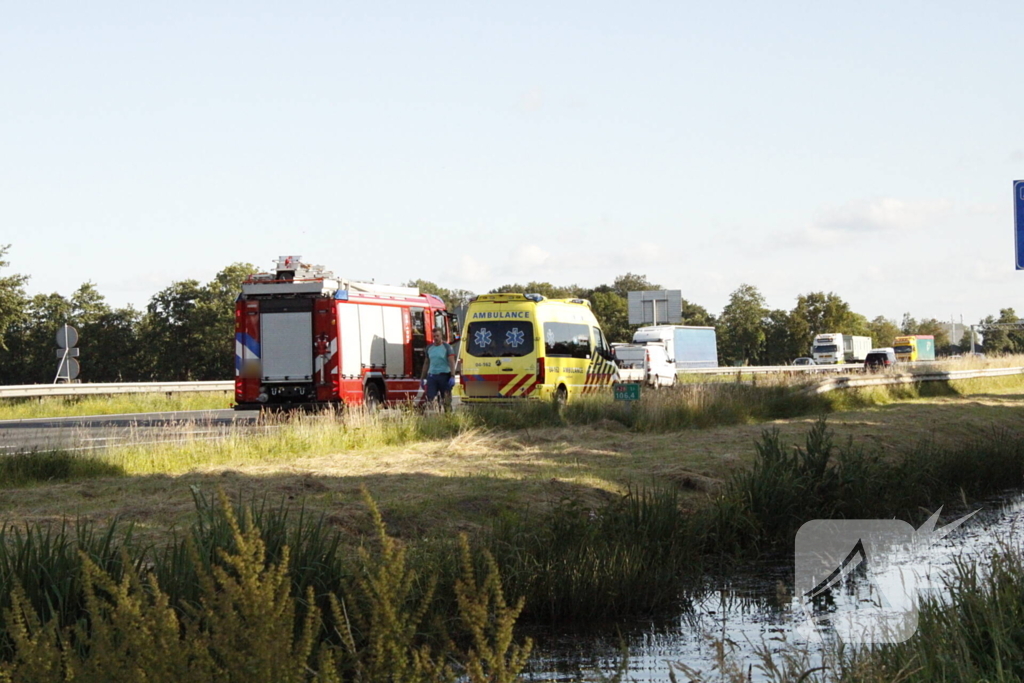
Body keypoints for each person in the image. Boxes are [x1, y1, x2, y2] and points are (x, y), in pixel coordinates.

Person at [420, 328, 456, 411]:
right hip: (432, 376)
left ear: (441, 336)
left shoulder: (447, 347)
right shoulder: (429, 348)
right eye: (434, 336)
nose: (435, 338)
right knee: (430, 399)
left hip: (444, 376)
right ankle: (434, 420)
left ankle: (448, 419)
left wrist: (452, 376)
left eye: (437, 336)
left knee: (446, 401)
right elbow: (426, 363)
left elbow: (452, 362)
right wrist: (422, 378)